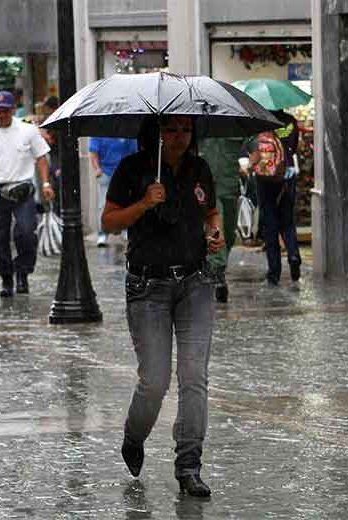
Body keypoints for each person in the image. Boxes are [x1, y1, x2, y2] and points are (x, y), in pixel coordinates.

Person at [102, 115, 224, 498]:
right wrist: (143, 203)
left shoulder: (198, 168)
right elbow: (108, 221)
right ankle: (134, 436)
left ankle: (189, 465)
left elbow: (211, 213)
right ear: (155, 133)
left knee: (194, 377)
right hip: (147, 287)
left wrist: (215, 232)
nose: (179, 137)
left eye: (186, 130)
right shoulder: (132, 169)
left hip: (195, 283)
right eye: (171, 130)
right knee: (155, 380)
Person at [0, 90, 54, 297]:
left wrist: (46, 183)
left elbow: (41, 158)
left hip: (22, 189)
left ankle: (22, 272)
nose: (2, 114)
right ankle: (6, 277)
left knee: (26, 233)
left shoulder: (28, 130)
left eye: (6, 110)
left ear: (13, 109)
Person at [247, 126, 301, 286]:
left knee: (270, 226)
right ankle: (293, 255)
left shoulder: (261, 123)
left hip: (265, 181)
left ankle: (274, 273)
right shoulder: (290, 123)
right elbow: (294, 147)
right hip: (286, 176)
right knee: (288, 222)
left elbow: (254, 155)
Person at [199, 137, 244, 302]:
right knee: (218, 228)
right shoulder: (201, 127)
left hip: (231, 186)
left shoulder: (234, 127)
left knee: (230, 234)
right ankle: (217, 272)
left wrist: (250, 164)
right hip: (208, 188)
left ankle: (218, 268)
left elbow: (254, 148)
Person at [88, 136, 138, 246]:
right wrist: (97, 169)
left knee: (126, 203)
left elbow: (133, 152)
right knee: (103, 204)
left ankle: (125, 230)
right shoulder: (98, 133)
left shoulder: (125, 132)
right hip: (106, 172)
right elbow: (93, 151)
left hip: (124, 172)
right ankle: (103, 234)